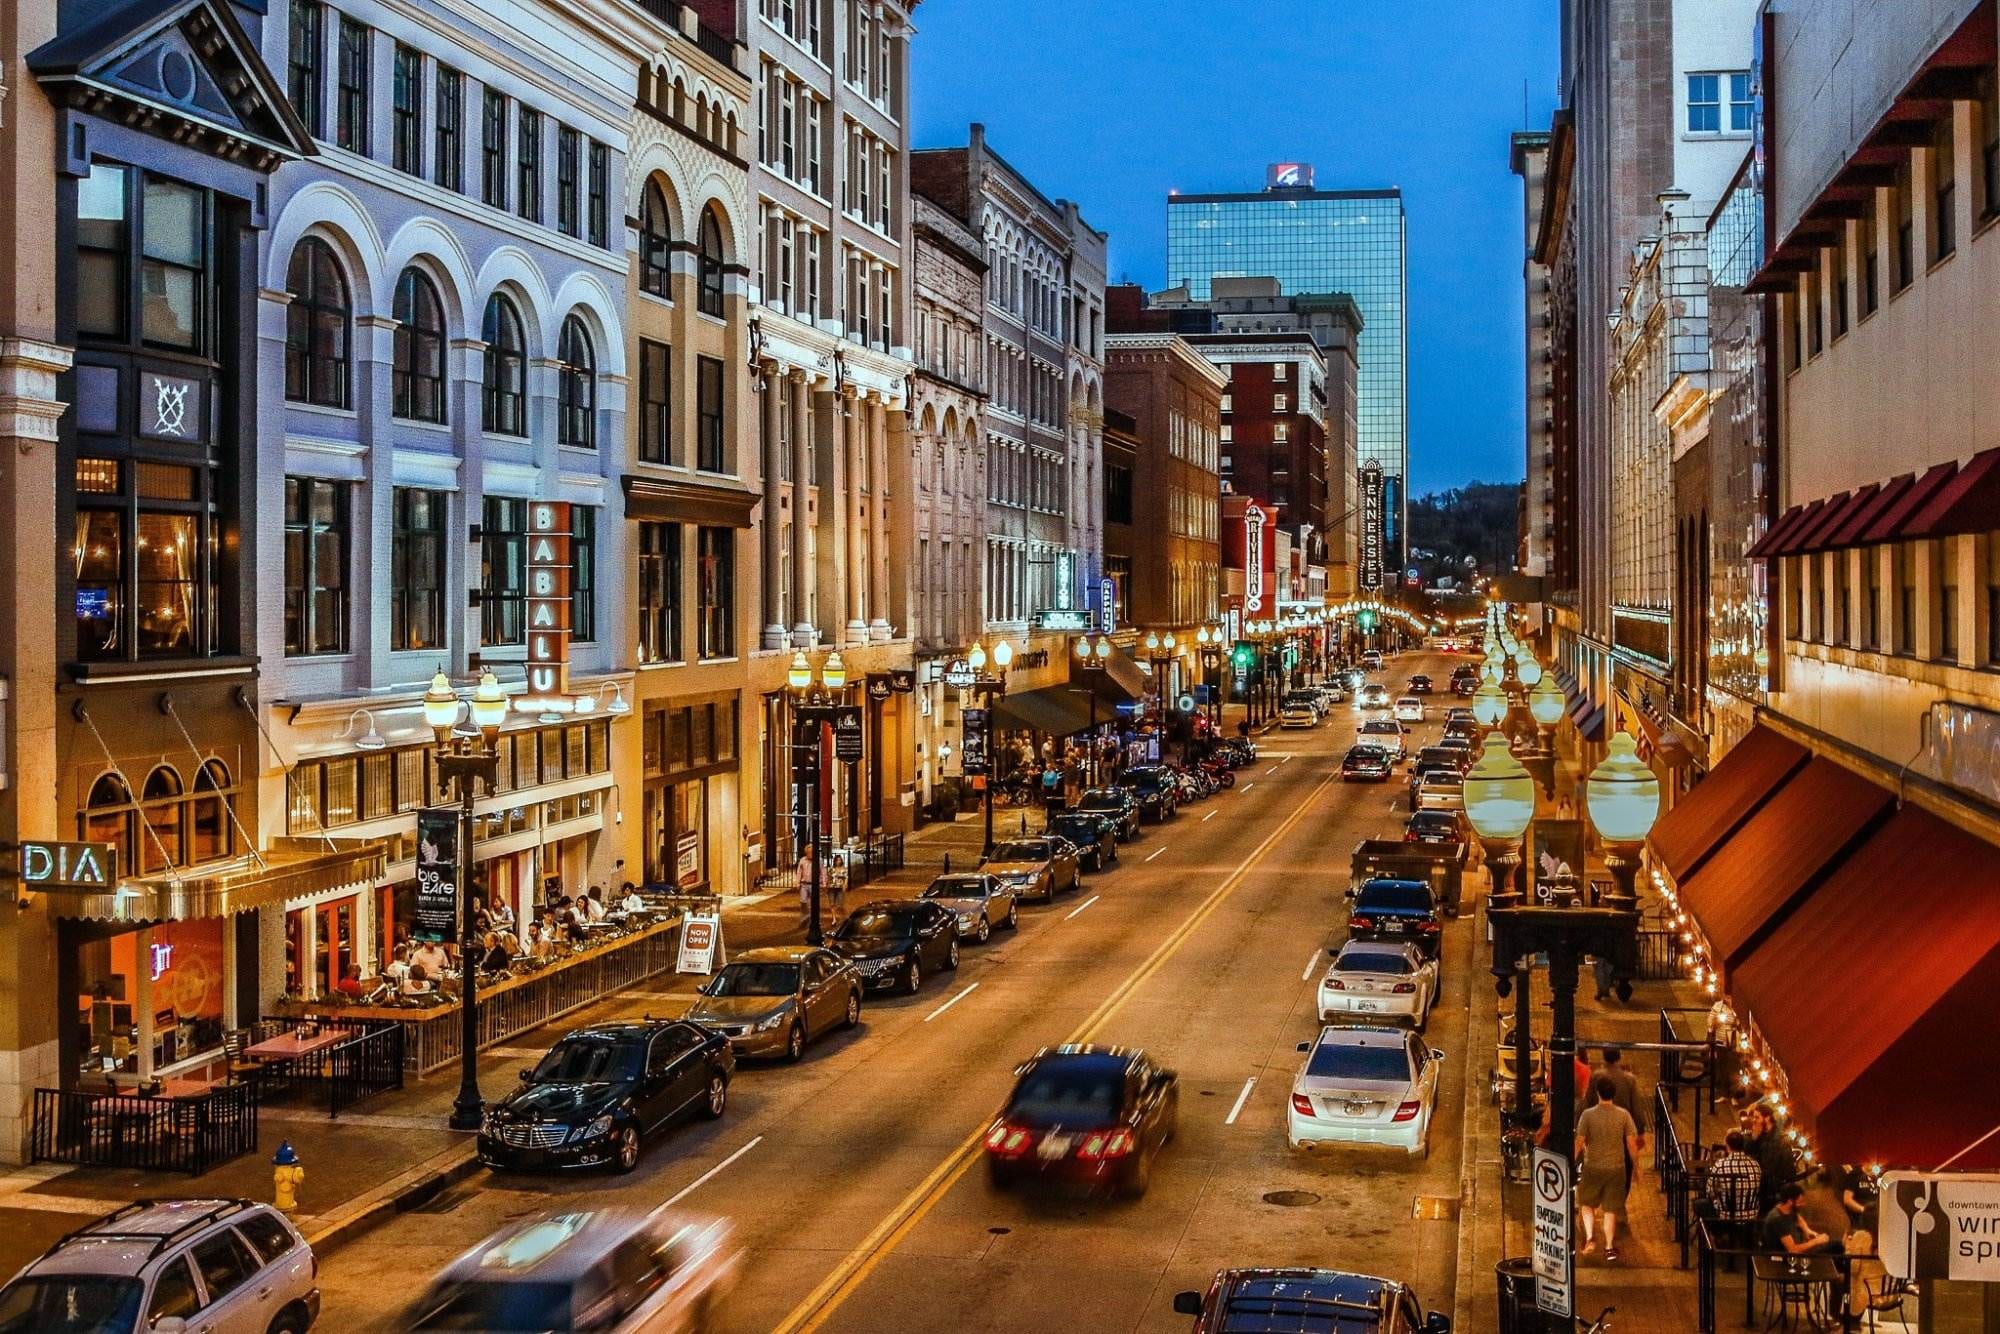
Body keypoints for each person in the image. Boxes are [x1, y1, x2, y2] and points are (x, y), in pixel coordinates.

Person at [1575, 1076, 1644, 1263]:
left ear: (1597, 1093)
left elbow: (1579, 1143)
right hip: (1617, 1168)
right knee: (1611, 1209)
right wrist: (1636, 1167)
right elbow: (1631, 1144)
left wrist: (1571, 1162)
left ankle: (1590, 1237)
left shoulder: (1588, 1115)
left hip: (1593, 1166)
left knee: (1586, 1204)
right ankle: (1609, 1247)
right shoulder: (1623, 1115)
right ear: (1613, 1094)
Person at [1762, 1182, 1843, 1257]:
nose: (1803, 1204)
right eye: (1800, 1202)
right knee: (1836, 1247)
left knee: (1836, 1245)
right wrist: (1816, 1241)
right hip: (1787, 1259)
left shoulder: (1787, 1209)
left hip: (1800, 1253)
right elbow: (1792, 1250)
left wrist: (1807, 1230)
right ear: (1790, 1202)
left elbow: (1799, 1219)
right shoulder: (1778, 1219)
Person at [1704, 1132, 1765, 1230]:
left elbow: (1709, 1191)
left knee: (1699, 1205)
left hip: (1726, 1216)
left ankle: (1715, 1235)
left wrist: (1718, 1196)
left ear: (1727, 1146)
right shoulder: (1755, 1164)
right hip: (1751, 1216)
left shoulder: (1720, 1165)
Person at [1748, 1104, 1798, 1214]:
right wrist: (1754, 1139)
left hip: (1771, 1188)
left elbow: (1768, 1168)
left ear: (1767, 1118)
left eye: (1757, 1117)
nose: (1754, 1121)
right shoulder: (1761, 1136)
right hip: (1765, 1182)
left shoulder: (1777, 1142)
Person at [1597, 1048, 1647, 1141]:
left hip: (1600, 1125)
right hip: (1623, 1127)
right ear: (1619, 1057)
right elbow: (1636, 1106)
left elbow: (1588, 1100)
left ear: (1604, 1057)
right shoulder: (1629, 1079)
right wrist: (1640, 1130)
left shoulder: (1596, 1076)